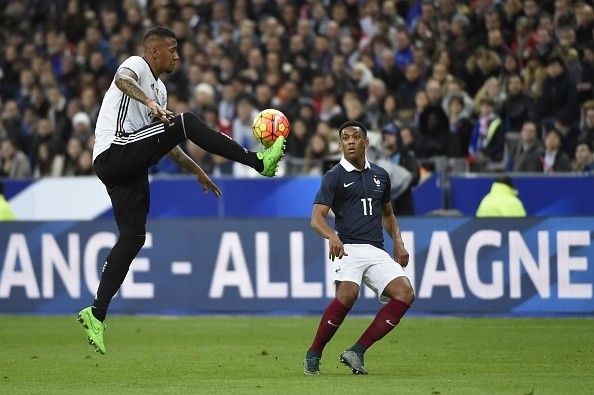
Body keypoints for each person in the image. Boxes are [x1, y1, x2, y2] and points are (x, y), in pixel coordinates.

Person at [77, 26, 286, 355]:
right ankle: (258, 162)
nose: (178, 55)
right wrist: (146, 100)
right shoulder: (136, 65)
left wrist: (197, 169)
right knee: (187, 120)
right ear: (154, 51)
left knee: (133, 237)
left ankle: (96, 312)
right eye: (172, 49)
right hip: (115, 151)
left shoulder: (160, 92)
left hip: (125, 166)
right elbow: (121, 81)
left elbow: (165, 143)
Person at [303, 120, 415, 375]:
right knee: (347, 295)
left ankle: (357, 351)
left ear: (366, 142)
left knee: (405, 294)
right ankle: (314, 353)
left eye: (356, 137)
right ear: (340, 144)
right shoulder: (333, 177)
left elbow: (388, 214)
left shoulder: (380, 175)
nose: (350, 141)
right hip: (348, 247)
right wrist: (332, 236)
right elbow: (316, 218)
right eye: (345, 138)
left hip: (375, 249)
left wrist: (398, 243)